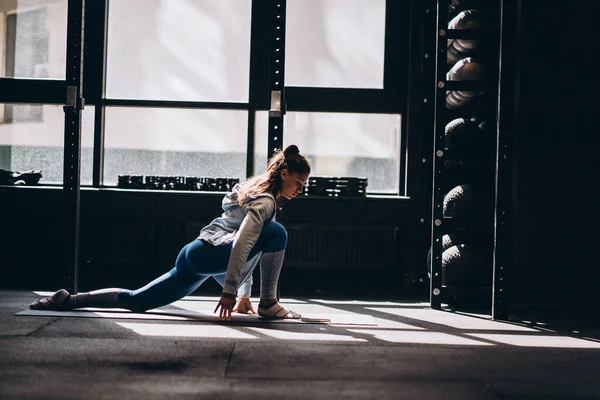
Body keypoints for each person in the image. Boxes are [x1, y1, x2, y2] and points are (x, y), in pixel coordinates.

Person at [30, 145, 311, 321]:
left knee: (138, 301)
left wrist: (242, 295)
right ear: (284, 174)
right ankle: (270, 303)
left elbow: (243, 244)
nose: (300, 190)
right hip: (212, 255)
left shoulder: (255, 192)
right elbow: (242, 244)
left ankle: (68, 299)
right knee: (278, 233)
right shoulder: (266, 202)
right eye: (298, 182)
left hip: (198, 255)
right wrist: (229, 292)